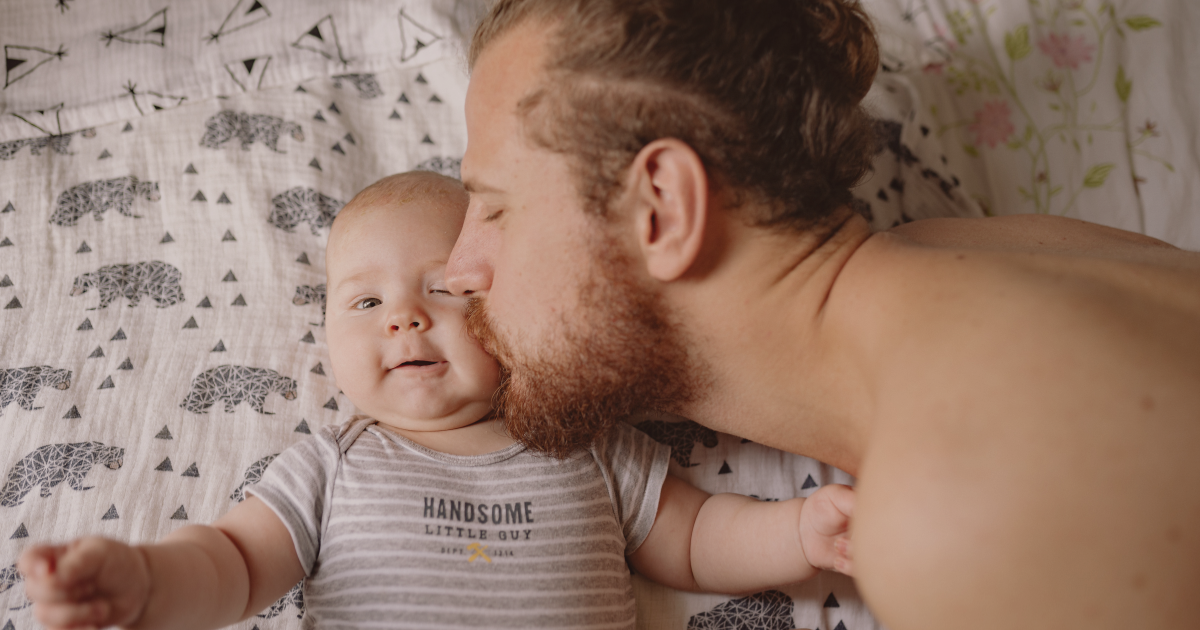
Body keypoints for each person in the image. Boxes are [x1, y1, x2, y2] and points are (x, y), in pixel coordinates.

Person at [441, 1, 1200, 629]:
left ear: (662, 209)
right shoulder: (1011, 253)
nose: (457, 271)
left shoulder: (962, 512)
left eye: (496, 209)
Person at [18, 171, 855, 630]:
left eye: (443, 288)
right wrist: (147, 581)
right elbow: (232, 566)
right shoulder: (331, 468)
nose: (405, 317)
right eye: (365, 301)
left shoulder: (582, 444)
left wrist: (798, 532)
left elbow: (698, 540)